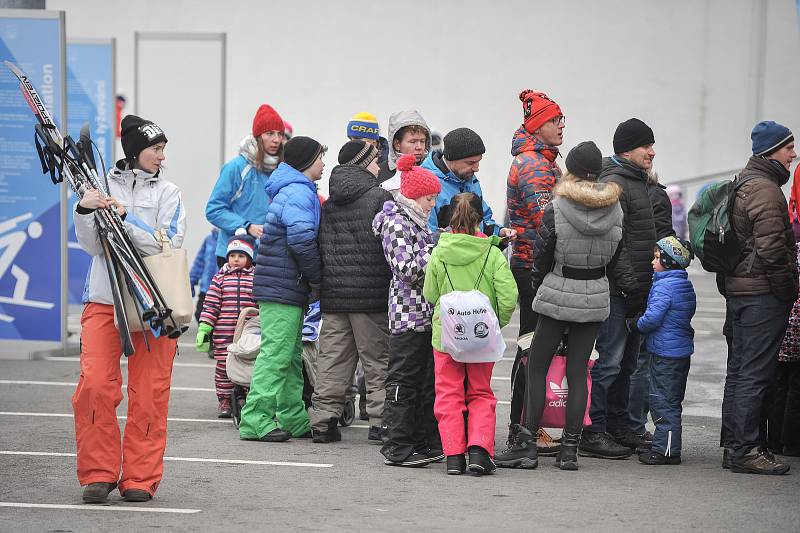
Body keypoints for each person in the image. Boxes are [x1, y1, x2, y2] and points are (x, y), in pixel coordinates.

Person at [494, 142, 635, 471]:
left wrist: (538, 285)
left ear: (570, 170)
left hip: (558, 290)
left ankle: (527, 445)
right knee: (577, 372)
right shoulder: (615, 210)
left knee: (537, 368)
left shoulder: (557, 208)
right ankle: (569, 450)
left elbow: (541, 255)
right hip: (595, 293)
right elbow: (617, 260)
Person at [72, 115, 185, 503]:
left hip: (154, 301)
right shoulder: (101, 183)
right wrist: (85, 211)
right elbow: (91, 246)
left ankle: (140, 477)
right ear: (136, 150)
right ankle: (98, 473)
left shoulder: (169, 192)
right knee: (94, 387)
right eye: (156, 148)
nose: (162, 156)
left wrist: (128, 220)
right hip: (105, 299)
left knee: (150, 393)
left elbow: (166, 242)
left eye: (163, 148)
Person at [238, 136, 326, 442]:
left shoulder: (293, 191)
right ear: (306, 163)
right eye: (319, 158)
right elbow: (302, 240)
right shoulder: (299, 193)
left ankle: (293, 416)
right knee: (276, 354)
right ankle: (255, 418)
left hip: (284, 285)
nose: (323, 164)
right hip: (283, 286)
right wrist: (316, 278)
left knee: (289, 356)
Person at [423, 193, 518, 475]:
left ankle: (453, 455)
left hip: (447, 335)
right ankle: (478, 451)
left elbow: (430, 292)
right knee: (480, 392)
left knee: (448, 394)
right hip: (481, 336)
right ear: (481, 220)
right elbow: (508, 295)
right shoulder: (491, 252)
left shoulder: (440, 251)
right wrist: (495, 324)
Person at [579, 118, 655, 459]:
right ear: (627, 148)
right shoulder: (615, 183)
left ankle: (619, 425)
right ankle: (594, 430)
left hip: (636, 289)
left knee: (627, 364)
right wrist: (629, 286)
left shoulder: (636, 181)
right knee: (608, 361)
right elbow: (614, 243)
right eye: (646, 146)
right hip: (617, 290)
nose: (652, 152)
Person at [724, 121, 796, 475]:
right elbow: (772, 251)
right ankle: (745, 449)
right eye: (788, 148)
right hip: (761, 294)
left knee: (739, 371)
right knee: (754, 372)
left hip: (740, 290)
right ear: (771, 152)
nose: (793, 154)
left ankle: (736, 446)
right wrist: (787, 290)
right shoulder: (767, 191)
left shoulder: (743, 182)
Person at [310, 140, 393, 444]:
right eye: (375, 160)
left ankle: (323, 421)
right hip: (370, 295)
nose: (378, 165)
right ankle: (381, 421)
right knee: (378, 359)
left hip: (335, 296)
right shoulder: (379, 196)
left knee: (332, 358)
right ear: (363, 163)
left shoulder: (331, 202)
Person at [372, 153, 443, 467]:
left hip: (423, 313)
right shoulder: (397, 223)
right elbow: (406, 268)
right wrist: (437, 251)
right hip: (407, 314)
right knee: (403, 381)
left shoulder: (417, 221)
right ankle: (397, 445)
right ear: (415, 196)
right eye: (430, 198)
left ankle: (421, 440)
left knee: (424, 382)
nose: (433, 205)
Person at [505, 90, 565, 456]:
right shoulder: (534, 165)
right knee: (532, 349)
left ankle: (528, 424)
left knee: (534, 348)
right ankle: (521, 428)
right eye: (555, 121)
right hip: (533, 269)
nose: (561, 126)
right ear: (537, 126)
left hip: (534, 267)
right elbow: (550, 223)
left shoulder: (545, 161)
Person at [633, 237, 696, 465]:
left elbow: (652, 318)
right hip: (679, 353)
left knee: (662, 401)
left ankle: (666, 451)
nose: (652, 262)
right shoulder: (683, 284)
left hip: (665, 354)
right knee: (671, 400)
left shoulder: (665, 286)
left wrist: (635, 324)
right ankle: (667, 445)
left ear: (669, 262)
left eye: (657, 258)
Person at [206, 104, 284, 267]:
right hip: (235, 255)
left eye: (280, 134)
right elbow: (213, 210)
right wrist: (247, 226)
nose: (276, 140)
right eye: (270, 134)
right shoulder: (236, 167)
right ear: (257, 136)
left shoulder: (282, 169)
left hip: (268, 256)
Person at [196, 229, 257, 418]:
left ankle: (248, 397)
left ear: (249, 258)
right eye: (232, 255)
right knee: (223, 367)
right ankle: (224, 399)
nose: (236, 259)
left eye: (241, 255)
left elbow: (260, 305)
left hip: (247, 334)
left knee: (247, 365)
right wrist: (205, 328)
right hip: (224, 333)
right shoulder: (220, 279)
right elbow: (210, 305)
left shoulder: (255, 279)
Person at [421, 127, 512, 239]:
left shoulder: (469, 178)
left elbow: (484, 220)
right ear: (451, 158)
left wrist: (500, 231)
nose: (476, 168)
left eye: (478, 162)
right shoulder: (425, 182)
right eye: (471, 163)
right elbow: (428, 235)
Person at [378, 110, 431, 193]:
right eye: (413, 142)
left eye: (422, 141)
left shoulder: (433, 173)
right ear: (397, 144)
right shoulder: (379, 174)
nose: (419, 147)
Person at [189, 228, 219, 324]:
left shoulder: (233, 240)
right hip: (206, 289)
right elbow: (199, 262)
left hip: (222, 291)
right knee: (199, 314)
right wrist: (191, 281)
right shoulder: (209, 240)